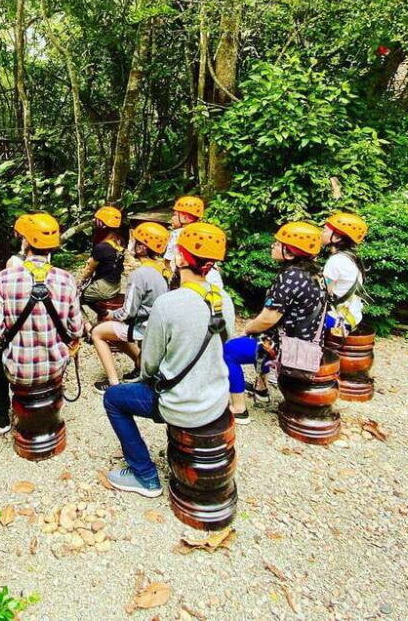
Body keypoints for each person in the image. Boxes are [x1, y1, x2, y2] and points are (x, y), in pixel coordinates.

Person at [103, 222, 235, 497]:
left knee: (113, 398)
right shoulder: (224, 299)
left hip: (181, 404)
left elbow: (149, 364)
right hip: (216, 400)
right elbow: (224, 343)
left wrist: (147, 379)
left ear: (182, 258)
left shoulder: (169, 303)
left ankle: (144, 475)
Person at [0, 213, 84, 434]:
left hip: (17, 370)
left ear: (26, 242)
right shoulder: (66, 279)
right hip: (56, 366)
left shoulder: (4, 278)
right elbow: (77, 330)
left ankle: (1, 415)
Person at [222, 221, 327, 425]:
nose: (273, 246)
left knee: (229, 351)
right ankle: (261, 389)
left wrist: (248, 327)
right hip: (304, 342)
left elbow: (268, 319)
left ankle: (239, 408)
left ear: (291, 252)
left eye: (278, 244)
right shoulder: (315, 273)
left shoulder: (291, 276)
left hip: (286, 346)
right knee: (260, 339)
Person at [91, 222, 170, 393]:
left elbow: (128, 312)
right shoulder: (161, 269)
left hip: (142, 327)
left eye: (134, 241)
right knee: (113, 331)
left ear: (142, 248)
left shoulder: (139, 274)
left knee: (97, 332)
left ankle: (113, 384)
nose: (130, 244)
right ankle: (140, 365)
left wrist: (110, 314)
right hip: (154, 325)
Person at [322, 212, 368, 335]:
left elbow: (324, 293)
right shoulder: (350, 258)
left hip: (338, 319)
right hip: (352, 316)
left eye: (325, 230)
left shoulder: (335, 261)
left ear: (337, 238)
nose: (321, 233)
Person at [78, 205, 125, 312]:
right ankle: (102, 314)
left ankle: (94, 320)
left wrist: (79, 282)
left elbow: (89, 270)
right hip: (116, 285)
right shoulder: (119, 240)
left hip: (104, 288)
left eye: (96, 221)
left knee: (76, 297)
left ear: (101, 224)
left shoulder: (102, 247)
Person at [163, 195, 205, 280]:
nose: (172, 218)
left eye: (175, 215)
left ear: (185, 218)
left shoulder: (177, 234)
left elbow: (167, 261)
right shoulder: (202, 233)